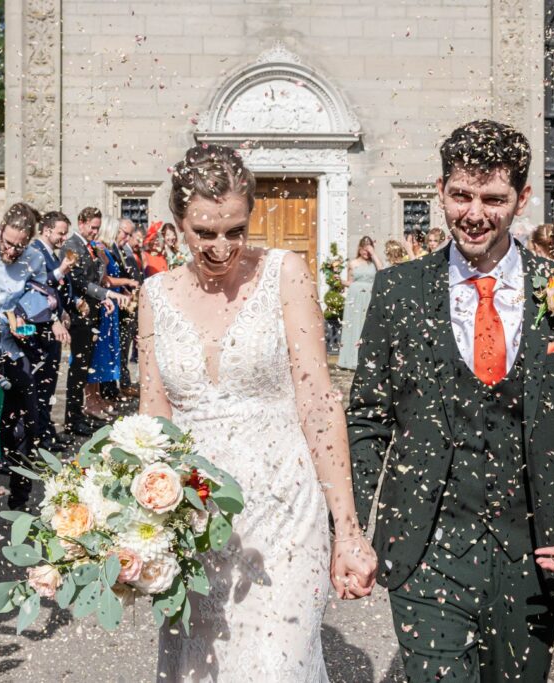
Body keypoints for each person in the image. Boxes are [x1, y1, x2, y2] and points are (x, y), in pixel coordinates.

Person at [347, 120, 554, 681]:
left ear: (522, 198)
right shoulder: (396, 290)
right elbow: (366, 421)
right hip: (425, 549)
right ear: (440, 190)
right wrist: (352, 531)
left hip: (535, 550)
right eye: (460, 195)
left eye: (493, 198)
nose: (474, 213)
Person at [141, 143, 377, 679]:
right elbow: (153, 419)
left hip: (284, 507)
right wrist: (136, 527)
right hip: (195, 516)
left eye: (235, 229)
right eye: (205, 232)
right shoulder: (154, 293)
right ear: (178, 222)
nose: (222, 247)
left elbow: (318, 400)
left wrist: (349, 530)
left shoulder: (285, 273)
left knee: (278, 668)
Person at [0, 203, 59, 511]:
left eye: (20, 246)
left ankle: (19, 504)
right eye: (8, 243)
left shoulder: (33, 258)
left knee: (24, 429)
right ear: (0, 229)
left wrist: (27, 312)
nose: (12, 251)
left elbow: (43, 297)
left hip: (16, 353)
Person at [62, 208, 127, 435]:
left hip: (93, 313)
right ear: (81, 223)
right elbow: (79, 282)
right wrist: (107, 295)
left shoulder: (89, 247)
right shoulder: (72, 246)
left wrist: (102, 301)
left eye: (98, 228)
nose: (95, 231)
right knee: (78, 369)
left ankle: (78, 416)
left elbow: (94, 278)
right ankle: (72, 419)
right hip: (81, 315)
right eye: (92, 227)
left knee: (84, 368)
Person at [30, 210, 76, 450]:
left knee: (49, 384)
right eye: (60, 233)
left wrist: (64, 310)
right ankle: (40, 437)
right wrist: (61, 271)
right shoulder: (36, 252)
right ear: (46, 230)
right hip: (42, 328)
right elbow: (37, 285)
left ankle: (47, 431)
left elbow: (55, 291)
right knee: (42, 383)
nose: (63, 238)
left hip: (55, 323)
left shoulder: (51, 253)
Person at [337, 236, 383, 370]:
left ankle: (366, 359)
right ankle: (349, 359)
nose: (366, 253)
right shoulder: (353, 263)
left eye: (368, 250)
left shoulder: (374, 262)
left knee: (366, 326)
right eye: (364, 249)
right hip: (355, 297)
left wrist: (373, 254)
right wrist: (339, 281)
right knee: (353, 325)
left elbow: (381, 271)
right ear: (359, 249)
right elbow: (350, 281)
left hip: (369, 296)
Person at [109, 218, 141, 396]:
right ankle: (117, 386)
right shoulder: (112, 250)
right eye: (124, 233)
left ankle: (122, 383)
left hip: (127, 305)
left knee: (125, 346)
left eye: (129, 234)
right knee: (120, 348)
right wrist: (125, 286)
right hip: (118, 306)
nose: (127, 237)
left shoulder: (122, 250)